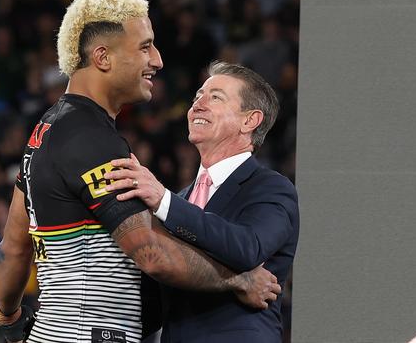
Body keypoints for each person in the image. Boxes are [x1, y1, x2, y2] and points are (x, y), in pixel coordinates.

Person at [0, 0, 281, 343]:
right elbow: (151, 254)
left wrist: (8, 316)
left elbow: (13, 247)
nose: (158, 60)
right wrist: (238, 280)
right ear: (103, 57)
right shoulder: (90, 139)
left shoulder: (46, 132)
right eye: (145, 46)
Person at [104, 61, 299, 342]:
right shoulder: (179, 200)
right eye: (197, 97)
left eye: (215, 97)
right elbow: (155, 298)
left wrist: (163, 200)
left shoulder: (271, 188)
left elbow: (247, 248)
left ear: (249, 120)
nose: (198, 105)